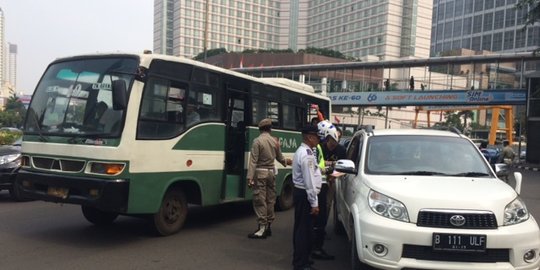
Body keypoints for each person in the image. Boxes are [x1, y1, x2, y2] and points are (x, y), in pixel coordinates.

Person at [246, 118, 291, 239]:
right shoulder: (274, 141)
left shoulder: (257, 141)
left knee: (260, 200)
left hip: (260, 173)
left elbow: (253, 161)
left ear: (260, 129)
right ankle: (269, 226)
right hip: (271, 173)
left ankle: (261, 229)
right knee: (270, 200)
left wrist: (250, 177)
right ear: (270, 129)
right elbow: (280, 158)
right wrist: (288, 162)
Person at [312, 120, 346, 261]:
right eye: (330, 141)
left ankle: (321, 229)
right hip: (319, 182)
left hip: (332, 182)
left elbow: (344, 168)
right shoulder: (320, 148)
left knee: (326, 205)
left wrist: (333, 176)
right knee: (317, 207)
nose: (332, 145)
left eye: (335, 141)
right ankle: (316, 232)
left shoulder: (341, 151)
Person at [292, 125, 322, 270]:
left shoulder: (304, 151)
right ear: (309, 137)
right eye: (316, 136)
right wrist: (314, 203)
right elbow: (309, 181)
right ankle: (301, 264)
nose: (318, 139)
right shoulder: (306, 154)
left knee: (302, 229)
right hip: (305, 195)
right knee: (303, 231)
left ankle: (301, 260)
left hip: (302, 194)